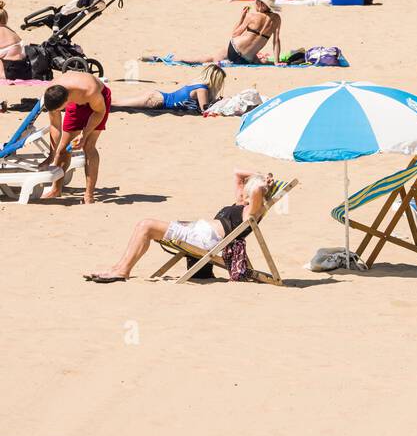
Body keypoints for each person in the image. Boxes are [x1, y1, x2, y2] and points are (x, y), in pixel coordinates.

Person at [84, 169, 272, 282]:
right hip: (197, 232)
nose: (242, 190)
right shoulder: (241, 204)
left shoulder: (252, 211)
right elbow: (237, 173)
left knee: (146, 225)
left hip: (205, 240)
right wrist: (259, 174)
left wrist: (263, 184)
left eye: (246, 189)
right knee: (144, 226)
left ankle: (123, 270)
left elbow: (255, 190)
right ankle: (118, 268)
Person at [42, 70, 111, 204]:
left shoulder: (89, 90)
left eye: (60, 109)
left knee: (88, 146)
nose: (58, 112)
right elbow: (55, 126)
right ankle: (56, 189)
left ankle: (89, 195)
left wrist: (84, 135)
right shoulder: (52, 92)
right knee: (63, 149)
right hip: (76, 100)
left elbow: (99, 112)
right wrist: (51, 154)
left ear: (66, 101)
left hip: (98, 104)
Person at [113, 65, 226, 115]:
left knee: (119, 102)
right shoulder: (202, 89)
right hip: (157, 100)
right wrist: (218, 103)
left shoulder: (198, 85)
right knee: (118, 104)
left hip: (157, 97)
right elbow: (205, 110)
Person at [214, 0, 282, 66]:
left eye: (256, 1)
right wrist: (276, 61)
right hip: (246, 59)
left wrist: (242, 17)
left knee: (213, 58)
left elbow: (234, 34)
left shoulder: (251, 16)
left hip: (234, 49)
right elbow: (276, 41)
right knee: (259, 60)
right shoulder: (277, 18)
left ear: (261, 3)